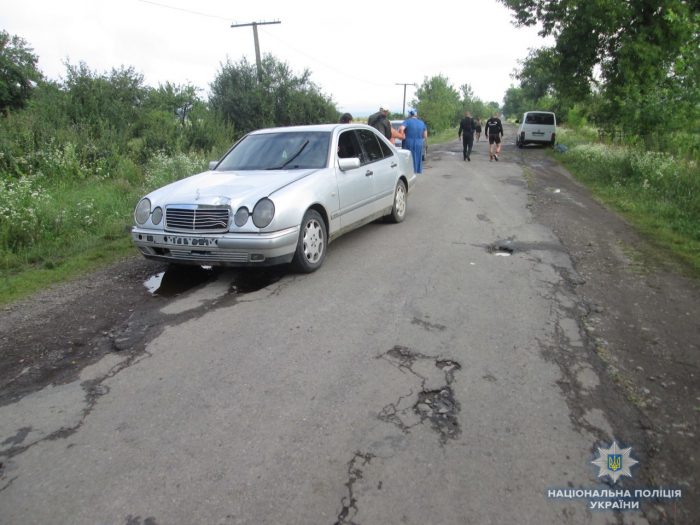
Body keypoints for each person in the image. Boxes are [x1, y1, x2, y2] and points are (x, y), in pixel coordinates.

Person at [399, 109, 428, 174]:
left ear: (409, 115)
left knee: (408, 158)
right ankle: (415, 171)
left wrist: (402, 135)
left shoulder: (407, 122)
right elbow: (425, 135)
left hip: (408, 142)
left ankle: (408, 172)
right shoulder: (422, 123)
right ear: (416, 115)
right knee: (417, 157)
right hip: (419, 142)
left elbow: (401, 128)